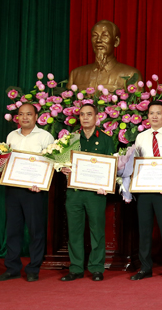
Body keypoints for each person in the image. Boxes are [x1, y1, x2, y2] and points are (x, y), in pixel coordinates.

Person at [0, 103, 55, 282]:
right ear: (17, 117)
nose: (25, 117)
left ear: (36, 116)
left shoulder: (45, 136)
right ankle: (12, 267)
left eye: (29, 114)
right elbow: (8, 160)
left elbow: (51, 163)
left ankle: (33, 268)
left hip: (34, 191)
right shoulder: (11, 135)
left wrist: (40, 183)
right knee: (13, 230)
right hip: (13, 189)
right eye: (21, 114)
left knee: (36, 231)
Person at [60, 104, 116, 282]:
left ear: (96, 117)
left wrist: (106, 184)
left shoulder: (106, 139)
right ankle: (76, 268)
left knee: (97, 230)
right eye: (82, 114)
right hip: (74, 192)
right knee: (74, 231)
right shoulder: (71, 139)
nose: (85, 118)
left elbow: (112, 167)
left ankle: (96, 268)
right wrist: (63, 168)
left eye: (89, 114)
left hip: (96, 193)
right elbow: (61, 161)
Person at [129, 100, 162, 280]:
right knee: (144, 230)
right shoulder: (141, 137)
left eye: (158, 113)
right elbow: (134, 163)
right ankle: (145, 267)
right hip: (144, 190)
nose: (154, 116)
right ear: (147, 116)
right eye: (151, 113)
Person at [67, 20, 141, 91]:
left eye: (104, 36)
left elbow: (136, 102)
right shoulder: (76, 74)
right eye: (95, 35)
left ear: (116, 42)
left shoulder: (131, 75)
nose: (98, 40)